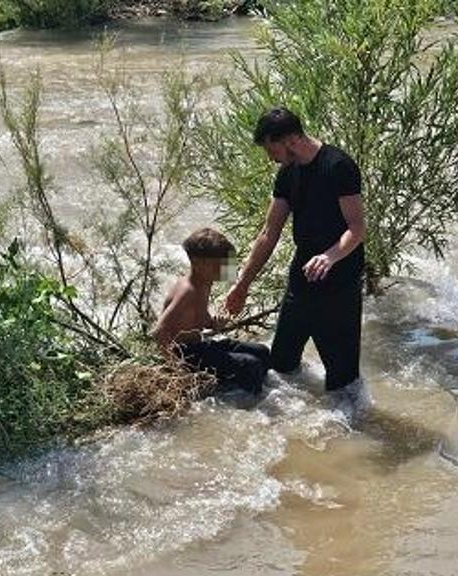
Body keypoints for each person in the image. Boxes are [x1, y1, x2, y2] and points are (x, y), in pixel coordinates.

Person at [225, 107, 366, 392]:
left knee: (343, 383)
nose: (271, 158)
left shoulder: (338, 166)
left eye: (271, 149)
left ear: (290, 140)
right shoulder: (288, 173)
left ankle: (348, 421)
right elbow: (269, 233)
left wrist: (329, 256)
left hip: (340, 283)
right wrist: (242, 284)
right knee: (281, 367)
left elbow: (357, 228)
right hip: (301, 281)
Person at [153, 227, 271, 395]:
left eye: (224, 263)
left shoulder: (205, 282)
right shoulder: (187, 290)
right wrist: (176, 368)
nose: (223, 269)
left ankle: (261, 390)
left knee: (261, 352)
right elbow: (159, 331)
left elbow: (196, 318)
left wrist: (214, 323)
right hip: (186, 353)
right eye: (217, 265)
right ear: (197, 262)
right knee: (250, 364)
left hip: (200, 346)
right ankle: (251, 401)